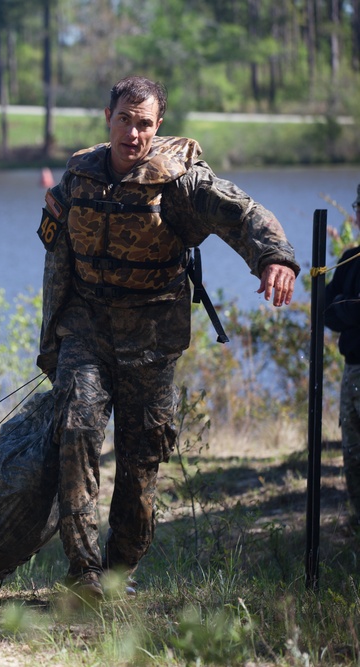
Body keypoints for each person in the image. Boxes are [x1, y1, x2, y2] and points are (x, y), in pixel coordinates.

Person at [36, 75, 299, 599]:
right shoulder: (79, 177)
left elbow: (243, 213)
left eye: (144, 124)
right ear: (107, 118)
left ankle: (117, 572)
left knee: (141, 456)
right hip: (86, 328)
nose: (132, 134)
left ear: (158, 128)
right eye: (124, 121)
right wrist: (52, 337)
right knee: (76, 430)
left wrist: (274, 258)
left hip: (150, 338)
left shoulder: (180, 184)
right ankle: (84, 572)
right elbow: (56, 249)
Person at [324, 183, 360, 530]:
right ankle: (357, 521)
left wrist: (346, 308)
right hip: (353, 369)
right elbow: (327, 312)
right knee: (352, 451)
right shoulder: (350, 258)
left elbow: (340, 309)